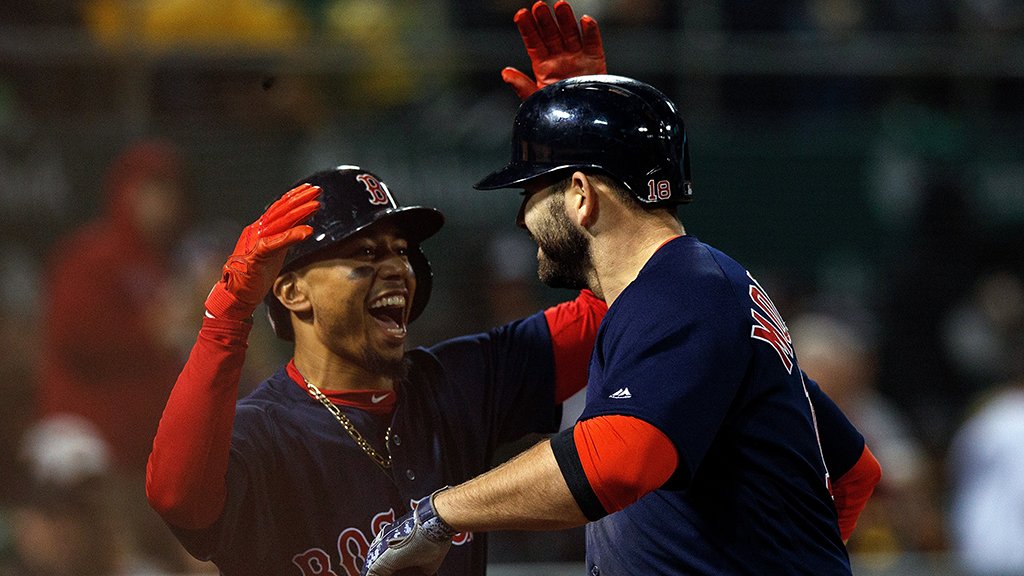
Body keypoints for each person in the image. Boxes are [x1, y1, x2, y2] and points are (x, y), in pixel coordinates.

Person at [145, 4, 608, 576]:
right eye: (365, 254)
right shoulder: (263, 431)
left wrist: (590, 153)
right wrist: (226, 318)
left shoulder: (457, 383)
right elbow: (177, 498)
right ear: (292, 292)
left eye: (400, 251)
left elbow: (607, 313)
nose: (396, 268)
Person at [361, 75, 882, 576]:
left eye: (530, 192)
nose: (522, 218)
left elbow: (617, 460)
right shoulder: (696, 289)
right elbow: (854, 470)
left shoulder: (683, 289)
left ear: (581, 194)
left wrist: (438, 514)